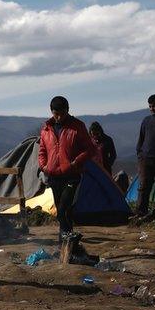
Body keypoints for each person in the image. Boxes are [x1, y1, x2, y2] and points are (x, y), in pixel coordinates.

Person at [37, 96, 96, 244]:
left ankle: (67, 237)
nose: (58, 117)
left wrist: (75, 162)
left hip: (72, 175)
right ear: (51, 112)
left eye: (61, 114)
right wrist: (44, 166)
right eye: (55, 114)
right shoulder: (46, 129)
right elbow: (42, 150)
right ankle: (66, 242)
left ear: (67, 110)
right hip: (53, 175)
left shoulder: (77, 126)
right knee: (63, 209)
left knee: (63, 207)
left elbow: (89, 149)